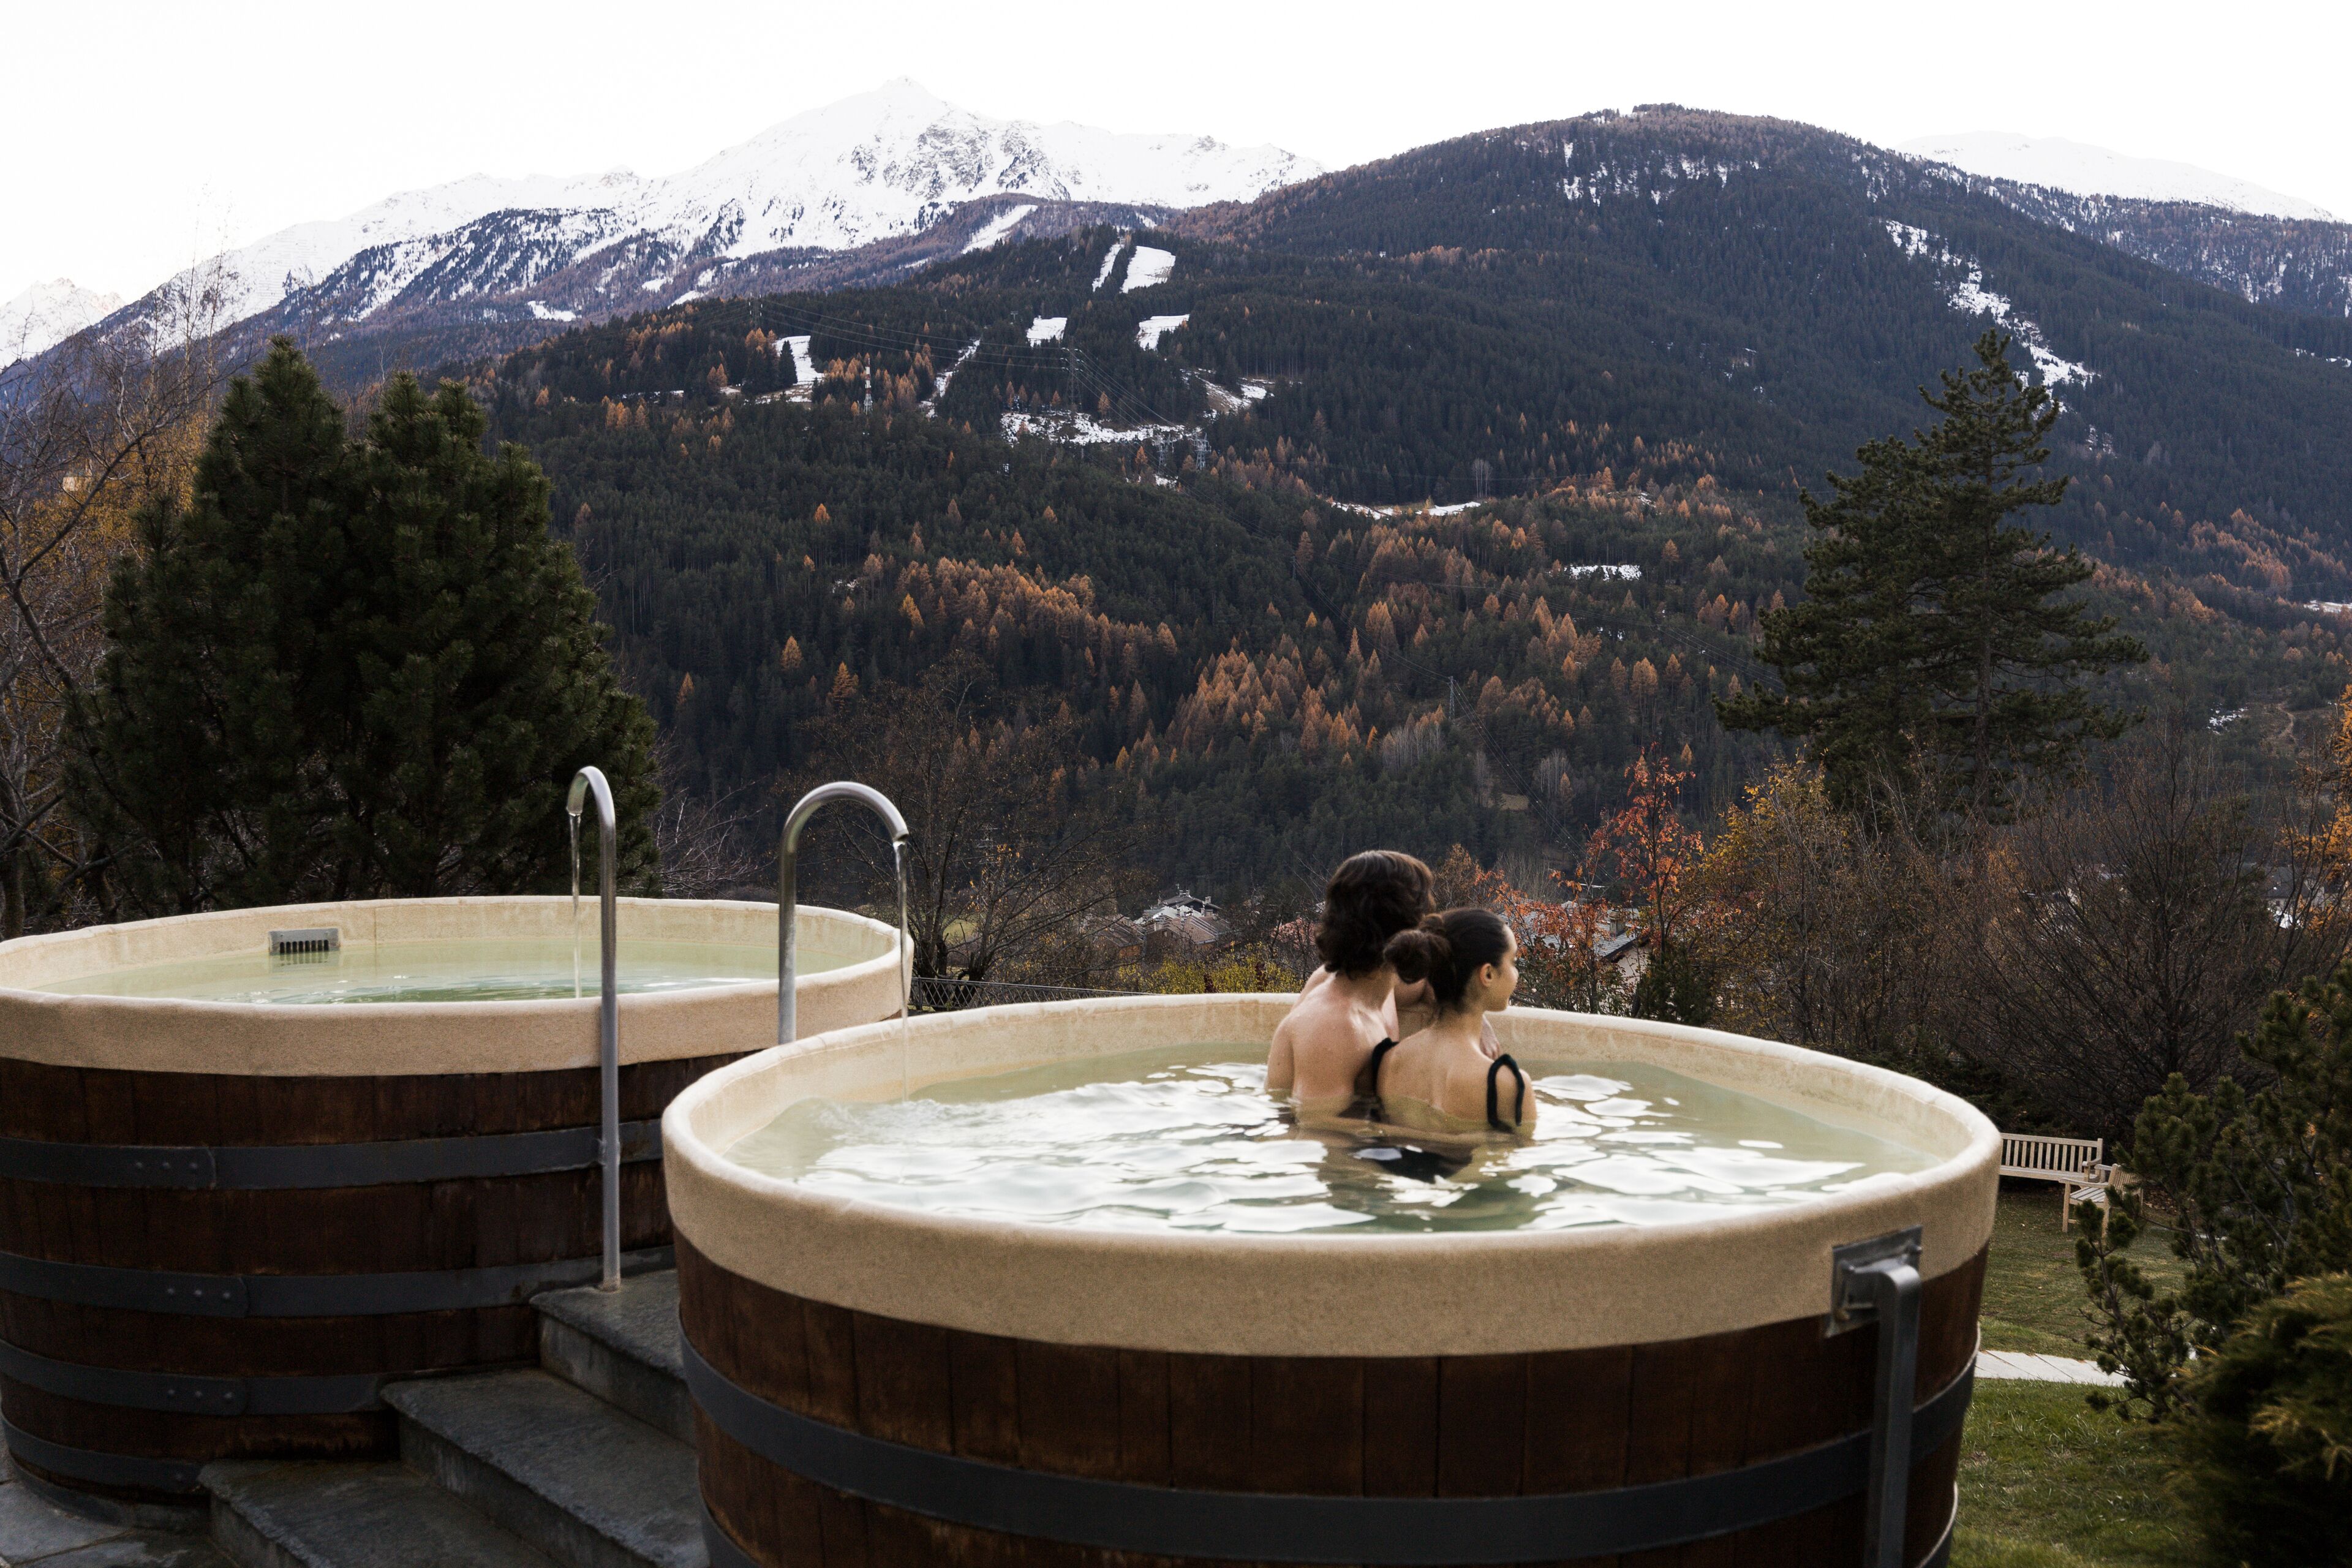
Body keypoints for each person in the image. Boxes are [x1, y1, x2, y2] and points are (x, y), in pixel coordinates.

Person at [1265, 850, 1433, 1117]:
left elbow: (1427, 984)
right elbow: (1318, 1129)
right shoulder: (1334, 1023)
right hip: (1297, 1145)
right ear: (1402, 929)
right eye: (1425, 916)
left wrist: (1472, 1019)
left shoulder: (1378, 985)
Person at [1363, 909, 1534, 1139]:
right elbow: (1518, 1167)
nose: (1516, 973)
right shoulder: (1506, 1085)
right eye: (1513, 961)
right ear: (1488, 975)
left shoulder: (1388, 1061)